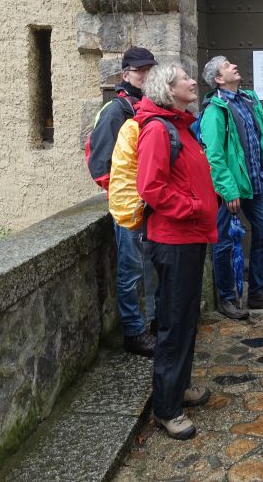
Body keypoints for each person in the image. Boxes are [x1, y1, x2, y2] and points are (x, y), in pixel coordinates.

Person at [136, 63, 217, 440]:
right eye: (184, 78)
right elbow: (151, 187)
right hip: (174, 240)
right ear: (168, 89)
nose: (192, 81)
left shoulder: (180, 126)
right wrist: (193, 207)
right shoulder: (158, 130)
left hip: (190, 237)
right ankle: (166, 409)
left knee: (185, 319)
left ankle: (179, 387)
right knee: (172, 323)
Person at [200, 56, 263, 319]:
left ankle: (257, 292)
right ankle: (227, 298)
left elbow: (258, 138)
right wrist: (228, 190)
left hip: (255, 182)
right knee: (225, 242)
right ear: (218, 79)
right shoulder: (214, 110)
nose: (234, 66)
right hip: (232, 189)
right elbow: (214, 155)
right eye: (227, 66)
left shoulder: (249, 99)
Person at [86, 46, 158, 357]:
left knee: (150, 268)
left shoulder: (147, 106)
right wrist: (126, 196)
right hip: (130, 206)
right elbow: (100, 165)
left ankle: (152, 324)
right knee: (131, 271)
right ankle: (134, 331)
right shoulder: (116, 111)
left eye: (149, 69)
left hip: (151, 204)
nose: (145, 75)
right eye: (140, 70)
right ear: (126, 74)